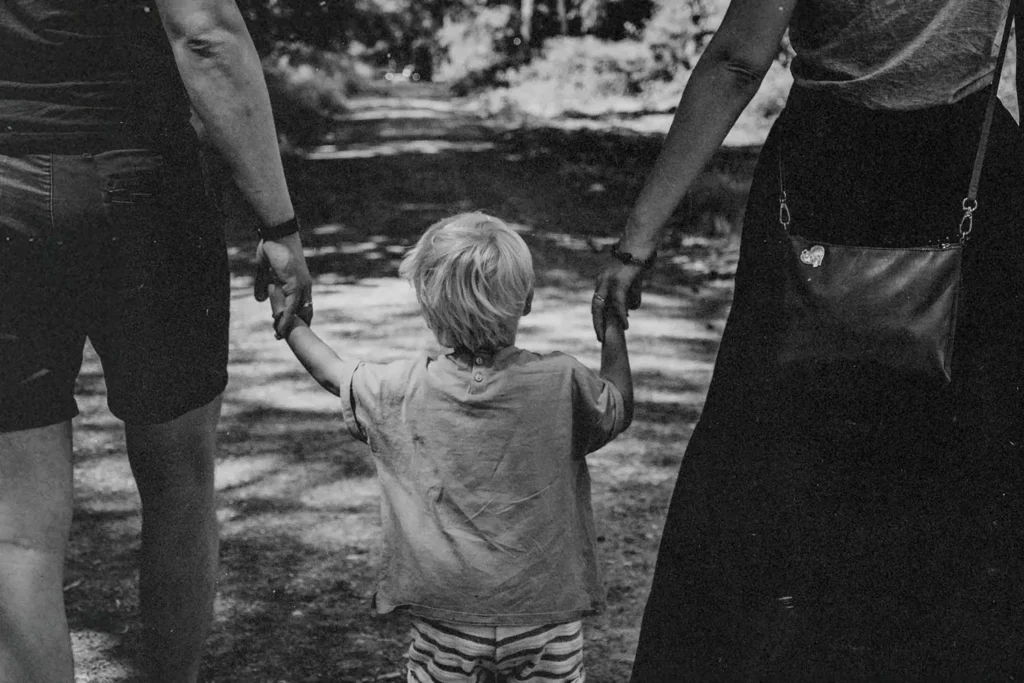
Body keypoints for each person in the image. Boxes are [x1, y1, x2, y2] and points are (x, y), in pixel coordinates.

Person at [592, 0, 1024, 680]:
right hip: (971, 180)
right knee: (961, 462)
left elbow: (738, 60)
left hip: (829, 177)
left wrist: (636, 242)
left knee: (771, 454)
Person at [0, 0, 313, 680]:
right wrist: (279, 223)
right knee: (178, 479)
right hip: (147, 191)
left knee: (16, 527)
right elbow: (205, 35)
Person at [269, 212, 633, 682]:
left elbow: (333, 372)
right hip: (546, 616)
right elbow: (619, 406)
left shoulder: (405, 387)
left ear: (428, 311)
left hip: (447, 616)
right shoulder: (563, 381)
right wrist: (613, 329)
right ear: (527, 302)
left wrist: (290, 320)